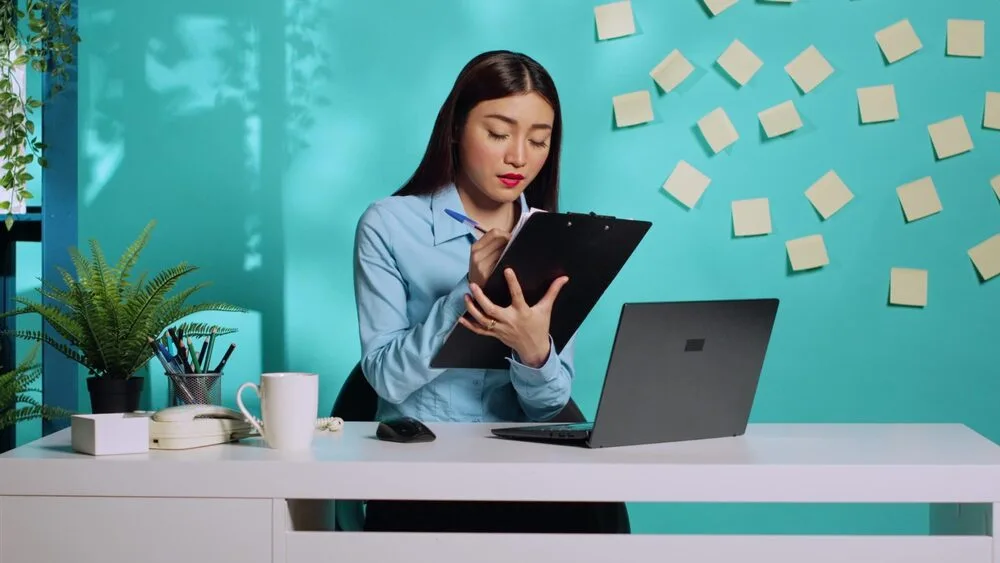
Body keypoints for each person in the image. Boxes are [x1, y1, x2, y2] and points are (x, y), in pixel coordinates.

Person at [352, 50, 627, 534]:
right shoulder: (389, 224)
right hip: (422, 474)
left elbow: (551, 407)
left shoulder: (555, 238)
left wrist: (534, 351)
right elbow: (386, 381)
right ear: (456, 128)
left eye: (539, 141)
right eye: (499, 134)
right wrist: (468, 289)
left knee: (599, 521)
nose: (519, 156)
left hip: (524, 474)